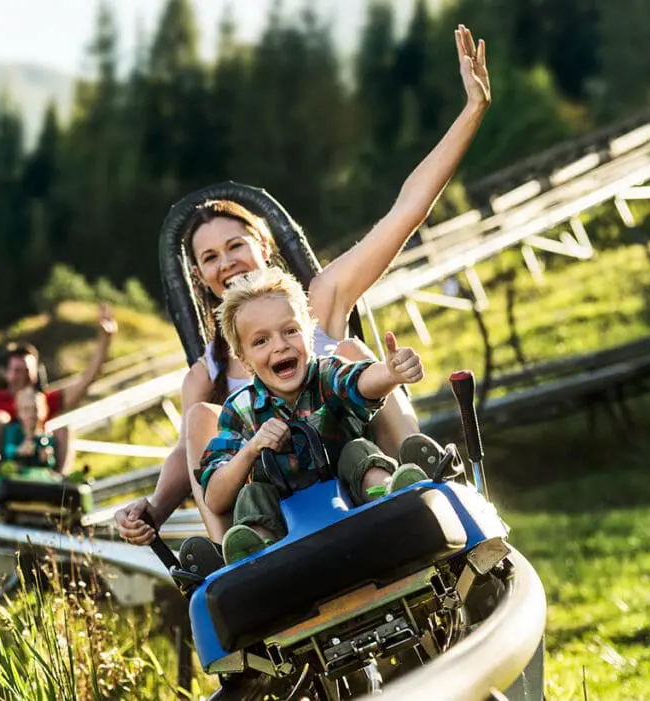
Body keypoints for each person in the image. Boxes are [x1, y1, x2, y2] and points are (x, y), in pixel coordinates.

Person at [115, 24, 491, 546]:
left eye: (236, 246)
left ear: (263, 247)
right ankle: (238, 554)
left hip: (354, 456)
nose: (227, 263)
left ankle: (414, 484)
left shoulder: (317, 301)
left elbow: (406, 210)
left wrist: (471, 112)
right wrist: (153, 507)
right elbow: (190, 452)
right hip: (274, 495)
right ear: (200, 277)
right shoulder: (210, 372)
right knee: (202, 415)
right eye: (210, 257)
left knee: (353, 350)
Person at [199, 268, 428, 564]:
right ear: (244, 360)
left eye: (290, 331)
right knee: (251, 494)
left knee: (358, 450)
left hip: (351, 498)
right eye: (261, 341)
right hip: (285, 529)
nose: (280, 345)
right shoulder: (239, 410)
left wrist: (390, 373)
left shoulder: (325, 374)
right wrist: (250, 450)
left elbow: (357, 381)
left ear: (309, 334)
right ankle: (256, 549)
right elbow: (215, 497)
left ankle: (387, 493)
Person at [0, 302, 118, 473]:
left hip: (38, 459)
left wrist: (105, 341)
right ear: (6, 373)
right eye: (16, 371)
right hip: (5, 462)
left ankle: (59, 479)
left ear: (35, 373)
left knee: (63, 429)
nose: (21, 376)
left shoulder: (42, 401)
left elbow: (85, 380)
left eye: (27, 371)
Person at [0, 386, 57, 468]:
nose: (31, 415)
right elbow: (8, 450)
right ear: (18, 412)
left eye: (35, 410)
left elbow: (51, 462)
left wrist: (47, 458)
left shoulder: (45, 437)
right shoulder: (14, 430)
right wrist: (18, 450)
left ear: (43, 411)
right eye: (26, 410)